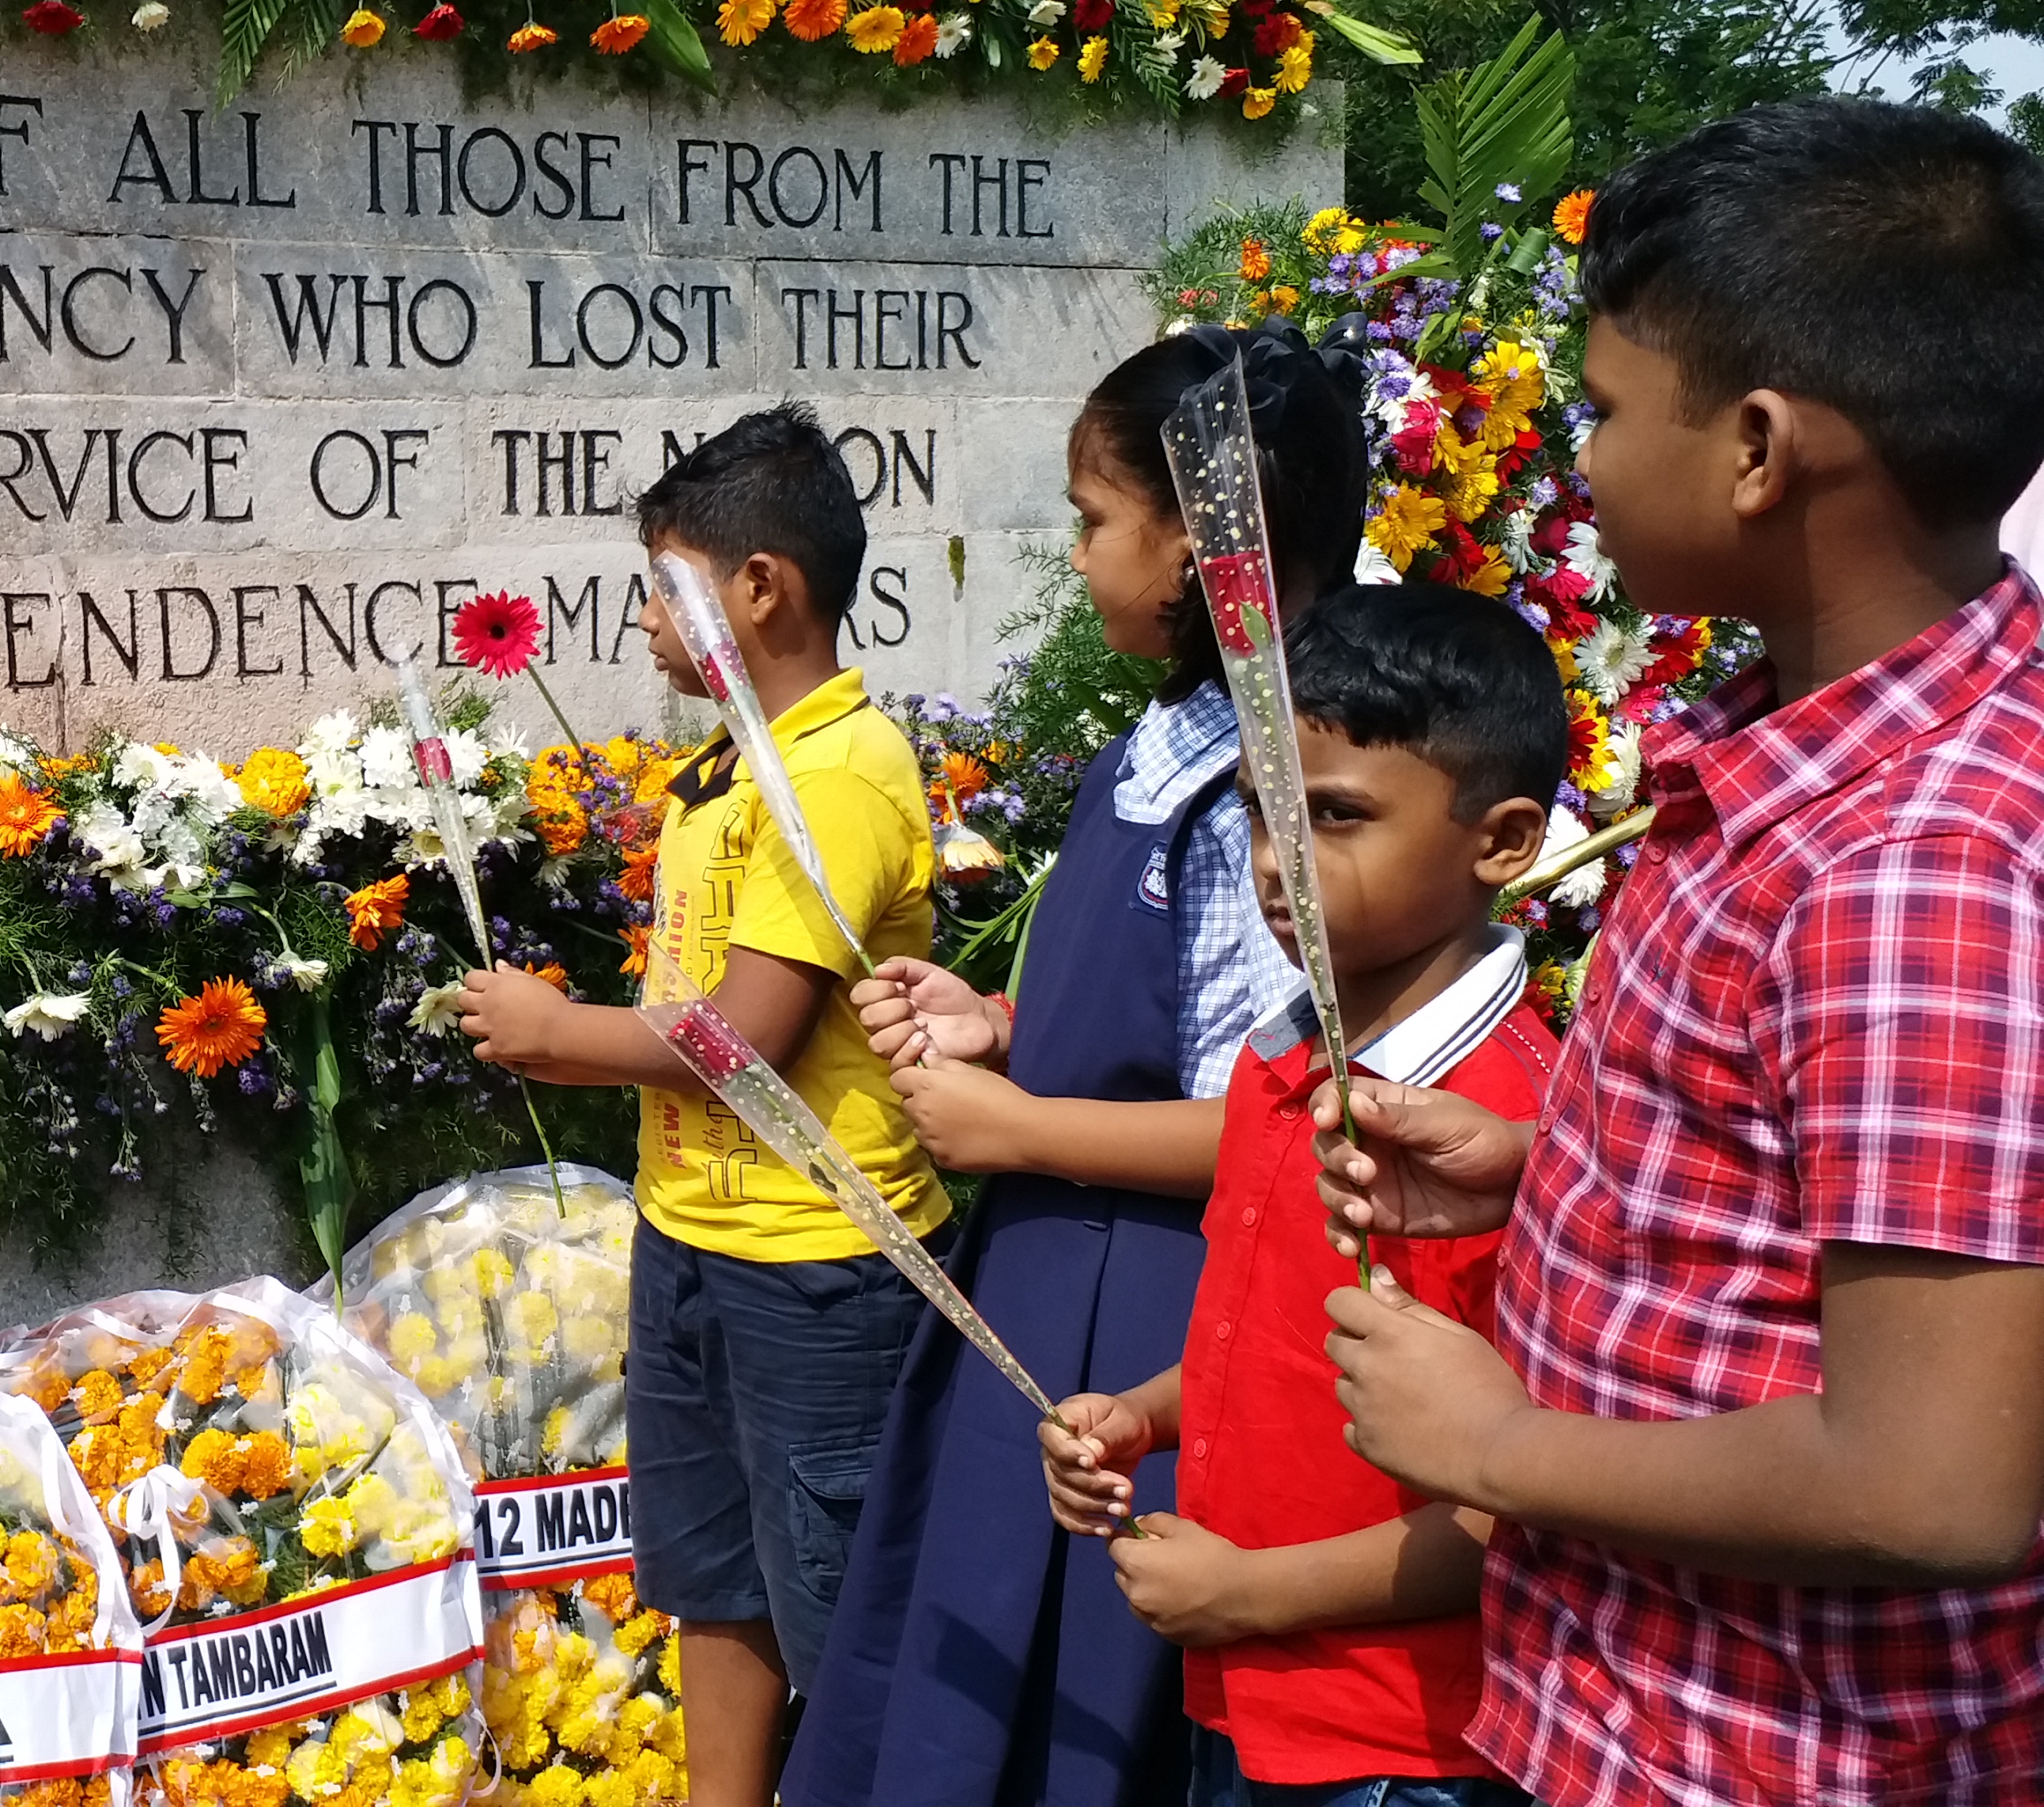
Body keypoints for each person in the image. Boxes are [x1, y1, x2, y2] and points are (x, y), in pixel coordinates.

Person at [1315, 98, 2044, 1804]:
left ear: (1760, 449)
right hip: (1635, 1710)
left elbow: (1927, 1481)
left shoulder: (1912, 866)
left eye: (1602, 409)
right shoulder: (1797, 757)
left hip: (1757, 1749)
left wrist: (1497, 1446)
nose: (1574, 456)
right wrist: (1552, 1169)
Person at [784, 319, 1368, 1807]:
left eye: (1094, 519)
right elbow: (1152, 1018)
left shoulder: (1294, 785)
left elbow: (1281, 1117)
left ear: (1194, 548)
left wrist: (1021, 1125)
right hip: (1054, 1281)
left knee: (1088, 1694)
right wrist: (1003, 1022)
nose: (1081, 551)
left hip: (1159, 1312)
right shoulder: (1169, 737)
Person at [455, 403, 946, 1807]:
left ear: (759, 587)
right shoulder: (728, 772)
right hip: (695, 1241)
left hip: (820, 1266)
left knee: (839, 1609)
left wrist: (565, 1032)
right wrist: (578, 1040)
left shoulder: (843, 772)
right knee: (712, 1579)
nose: (648, 629)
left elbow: (748, 1037)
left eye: (665, 590)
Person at [1039, 583, 1560, 1807]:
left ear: (1502, 841)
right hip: (1253, 1698)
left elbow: (1528, 1500)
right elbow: (1271, 1343)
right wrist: (1138, 1417)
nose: (1279, 863)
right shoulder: (1285, 1060)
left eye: (1333, 816)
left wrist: (1251, 1594)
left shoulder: (1500, 1129)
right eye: (1263, 815)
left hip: (1400, 1741)